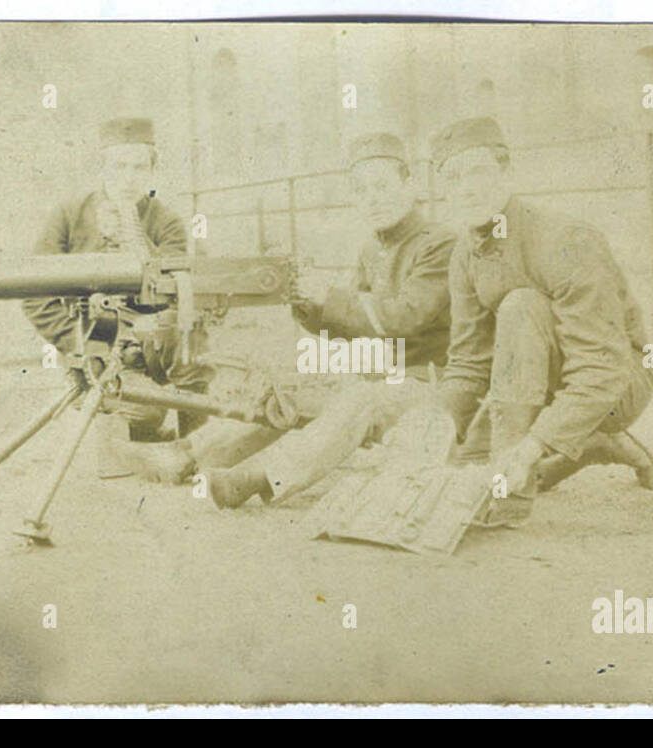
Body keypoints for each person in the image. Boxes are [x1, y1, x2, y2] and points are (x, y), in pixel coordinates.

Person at [116, 132, 457, 508]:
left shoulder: (438, 243)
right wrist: (305, 304)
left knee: (362, 397)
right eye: (361, 190)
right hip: (376, 374)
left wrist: (329, 297)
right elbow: (349, 326)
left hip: (428, 382)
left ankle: (261, 477)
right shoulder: (372, 247)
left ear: (409, 184)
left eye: (382, 185)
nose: (372, 198)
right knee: (283, 391)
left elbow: (404, 317)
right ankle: (186, 454)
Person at [430, 117, 653, 521]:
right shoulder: (464, 254)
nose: (466, 187)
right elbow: (467, 362)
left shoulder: (564, 239)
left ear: (507, 171)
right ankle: (593, 445)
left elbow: (600, 370)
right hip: (542, 384)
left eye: (479, 171)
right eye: (452, 177)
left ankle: (514, 494)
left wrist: (528, 447)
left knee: (521, 306)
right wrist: (431, 425)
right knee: (446, 466)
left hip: (620, 379)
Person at [23, 117, 212, 445]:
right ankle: (122, 424)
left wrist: (134, 234)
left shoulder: (165, 221)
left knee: (192, 344)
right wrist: (79, 342)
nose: (129, 178)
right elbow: (34, 294)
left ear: (152, 170)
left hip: (150, 345)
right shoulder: (69, 215)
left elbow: (175, 288)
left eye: (139, 167)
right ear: (102, 167)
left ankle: (198, 448)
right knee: (148, 413)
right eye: (119, 166)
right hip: (94, 344)